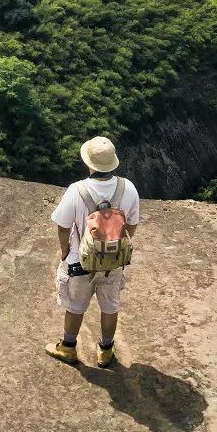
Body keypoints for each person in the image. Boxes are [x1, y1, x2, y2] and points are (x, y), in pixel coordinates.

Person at [45, 135, 140, 368]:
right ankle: (105, 351)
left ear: (89, 164)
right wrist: (115, 247)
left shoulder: (77, 190)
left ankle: (68, 348)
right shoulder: (128, 188)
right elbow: (132, 224)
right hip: (114, 263)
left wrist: (64, 250)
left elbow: (63, 225)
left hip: (81, 262)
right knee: (110, 307)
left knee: (75, 307)